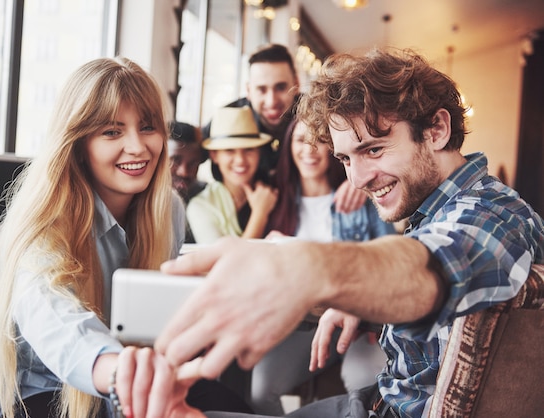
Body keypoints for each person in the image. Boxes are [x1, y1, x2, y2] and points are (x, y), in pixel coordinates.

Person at [137, 47, 544, 418]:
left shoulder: (495, 213)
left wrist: (320, 269)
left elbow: (435, 264)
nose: (360, 178)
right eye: (346, 158)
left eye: (374, 149)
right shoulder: (437, 209)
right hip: (375, 401)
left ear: (436, 130)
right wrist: (358, 296)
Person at [0, 57, 251, 418]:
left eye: (147, 127)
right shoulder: (46, 223)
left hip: (123, 386)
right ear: (79, 143)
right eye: (112, 132)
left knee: (234, 403)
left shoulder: (167, 209)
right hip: (39, 396)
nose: (138, 147)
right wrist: (124, 375)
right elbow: (56, 322)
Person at [248, 118, 395, 415]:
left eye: (319, 140)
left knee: (365, 386)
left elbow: (392, 259)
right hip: (303, 327)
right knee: (262, 389)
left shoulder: (360, 198)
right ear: (289, 146)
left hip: (361, 324)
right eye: (301, 140)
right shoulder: (276, 204)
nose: (310, 150)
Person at [201, 43, 366, 214]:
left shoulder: (318, 111)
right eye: (261, 89)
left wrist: (358, 180)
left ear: (296, 83)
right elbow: (193, 151)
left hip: (309, 209)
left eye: (280, 87)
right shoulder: (231, 118)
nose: (272, 101)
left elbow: (359, 141)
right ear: (249, 91)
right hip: (243, 211)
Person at [186, 106, 279, 244]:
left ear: (259, 152)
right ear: (214, 155)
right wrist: (260, 214)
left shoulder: (275, 195)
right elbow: (221, 260)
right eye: (229, 150)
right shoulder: (200, 206)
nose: (240, 160)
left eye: (248, 149)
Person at [169, 120, 209, 243]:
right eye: (175, 161)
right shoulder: (137, 199)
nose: (184, 172)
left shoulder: (207, 198)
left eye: (193, 164)